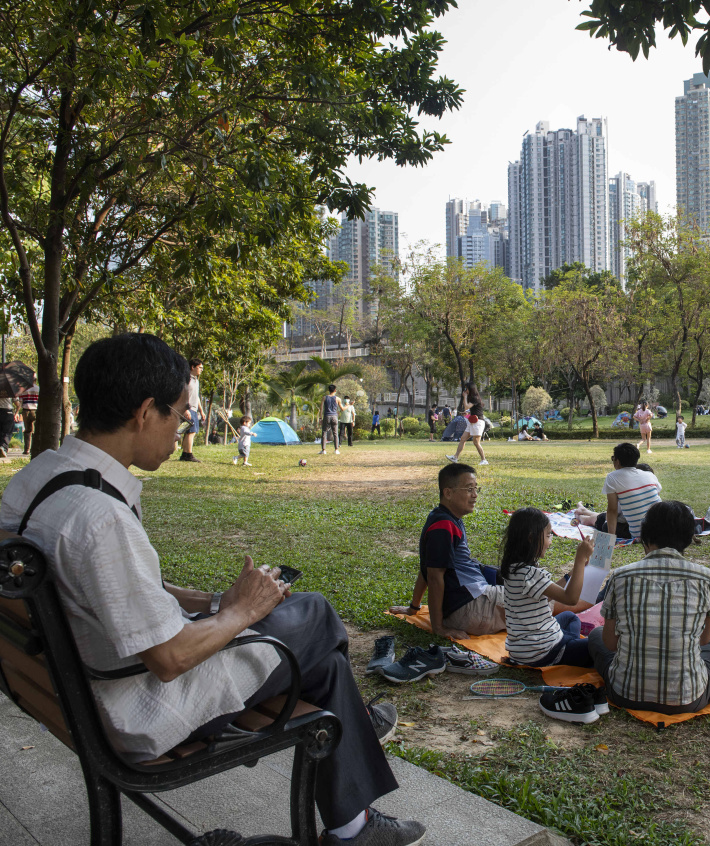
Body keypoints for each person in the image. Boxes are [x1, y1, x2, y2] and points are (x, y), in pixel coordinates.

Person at [0, 333, 421, 846]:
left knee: (326, 668)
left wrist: (219, 603)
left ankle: (354, 823)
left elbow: (125, 590)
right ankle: (359, 737)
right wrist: (240, 614)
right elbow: (170, 658)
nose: (183, 428)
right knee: (314, 614)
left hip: (63, 689)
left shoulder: (40, 477)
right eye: (180, 416)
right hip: (134, 708)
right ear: (145, 412)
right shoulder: (99, 517)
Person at [587, 500, 710, 714]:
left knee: (596, 635)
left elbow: (610, 643)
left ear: (645, 536)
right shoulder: (704, 576)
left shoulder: (621, 575)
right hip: (687, 698)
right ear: (688, 539)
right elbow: (704, 640)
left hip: (624, 693)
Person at [390, 463, 504, 639]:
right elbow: (434, 577)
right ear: (448, 493)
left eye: (476, 489)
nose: (475, 495)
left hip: (468, 603)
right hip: (470, 607)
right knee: (539, 597)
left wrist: (414, 608)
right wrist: (438, 628)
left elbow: (426, 568)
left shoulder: (444, 517)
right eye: (469, 489)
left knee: (529, 586)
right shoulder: (444, 525)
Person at [500, 507, 595, 668]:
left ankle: (571, 645)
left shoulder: (514, 569)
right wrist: (579, 560)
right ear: (532, 538)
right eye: (548, 535)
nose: (550, 541)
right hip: (543, 652)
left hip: (522, 651)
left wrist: (570, 574)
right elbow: (571, 599)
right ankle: (569, 650)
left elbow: (547, 594)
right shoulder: (530, 574)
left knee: (569, 617)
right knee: (598, 642)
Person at [572, 443, 662, 540]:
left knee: (605, 525)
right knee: (607, 518)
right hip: (660, 530)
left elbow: (612, 510)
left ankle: (583, 518)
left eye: (613, 458)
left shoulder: (613, 477)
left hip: (640, 535)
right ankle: (584, 512)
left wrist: (610, 538)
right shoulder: (649, 475)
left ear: (617, 461)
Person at [179, 359, 205, 462]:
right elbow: (182, 394)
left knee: (190, 432)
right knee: (191, 432)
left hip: (194, 409)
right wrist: (185, 409)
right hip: (188, 409)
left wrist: (201, 411)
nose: (201, 370)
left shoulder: (196, 380)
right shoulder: (186, 379)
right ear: (192, 367)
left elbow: (196, 397)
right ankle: (189, 454)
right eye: (200, 367)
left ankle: (185, 454)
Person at [319, 384, 343, 456]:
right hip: (334, 416)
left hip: (327, 416)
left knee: (324, 432)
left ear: (329, 390)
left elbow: (321, 409)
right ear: (335, 390)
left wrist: (320, 418)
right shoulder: (338, 399)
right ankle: (336, 450)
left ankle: (323, 450)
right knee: (335, 433)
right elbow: (342, 409)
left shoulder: (324, 398)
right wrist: (348, 405)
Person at [19, 378, 38, 455]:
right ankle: (34, 448)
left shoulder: (24, 389)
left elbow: (20, 401)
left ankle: (26, 449)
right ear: (35, 380)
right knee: (35, 430)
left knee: (27, 430)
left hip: (26, 410)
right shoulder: (38, 389)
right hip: (35, 411)